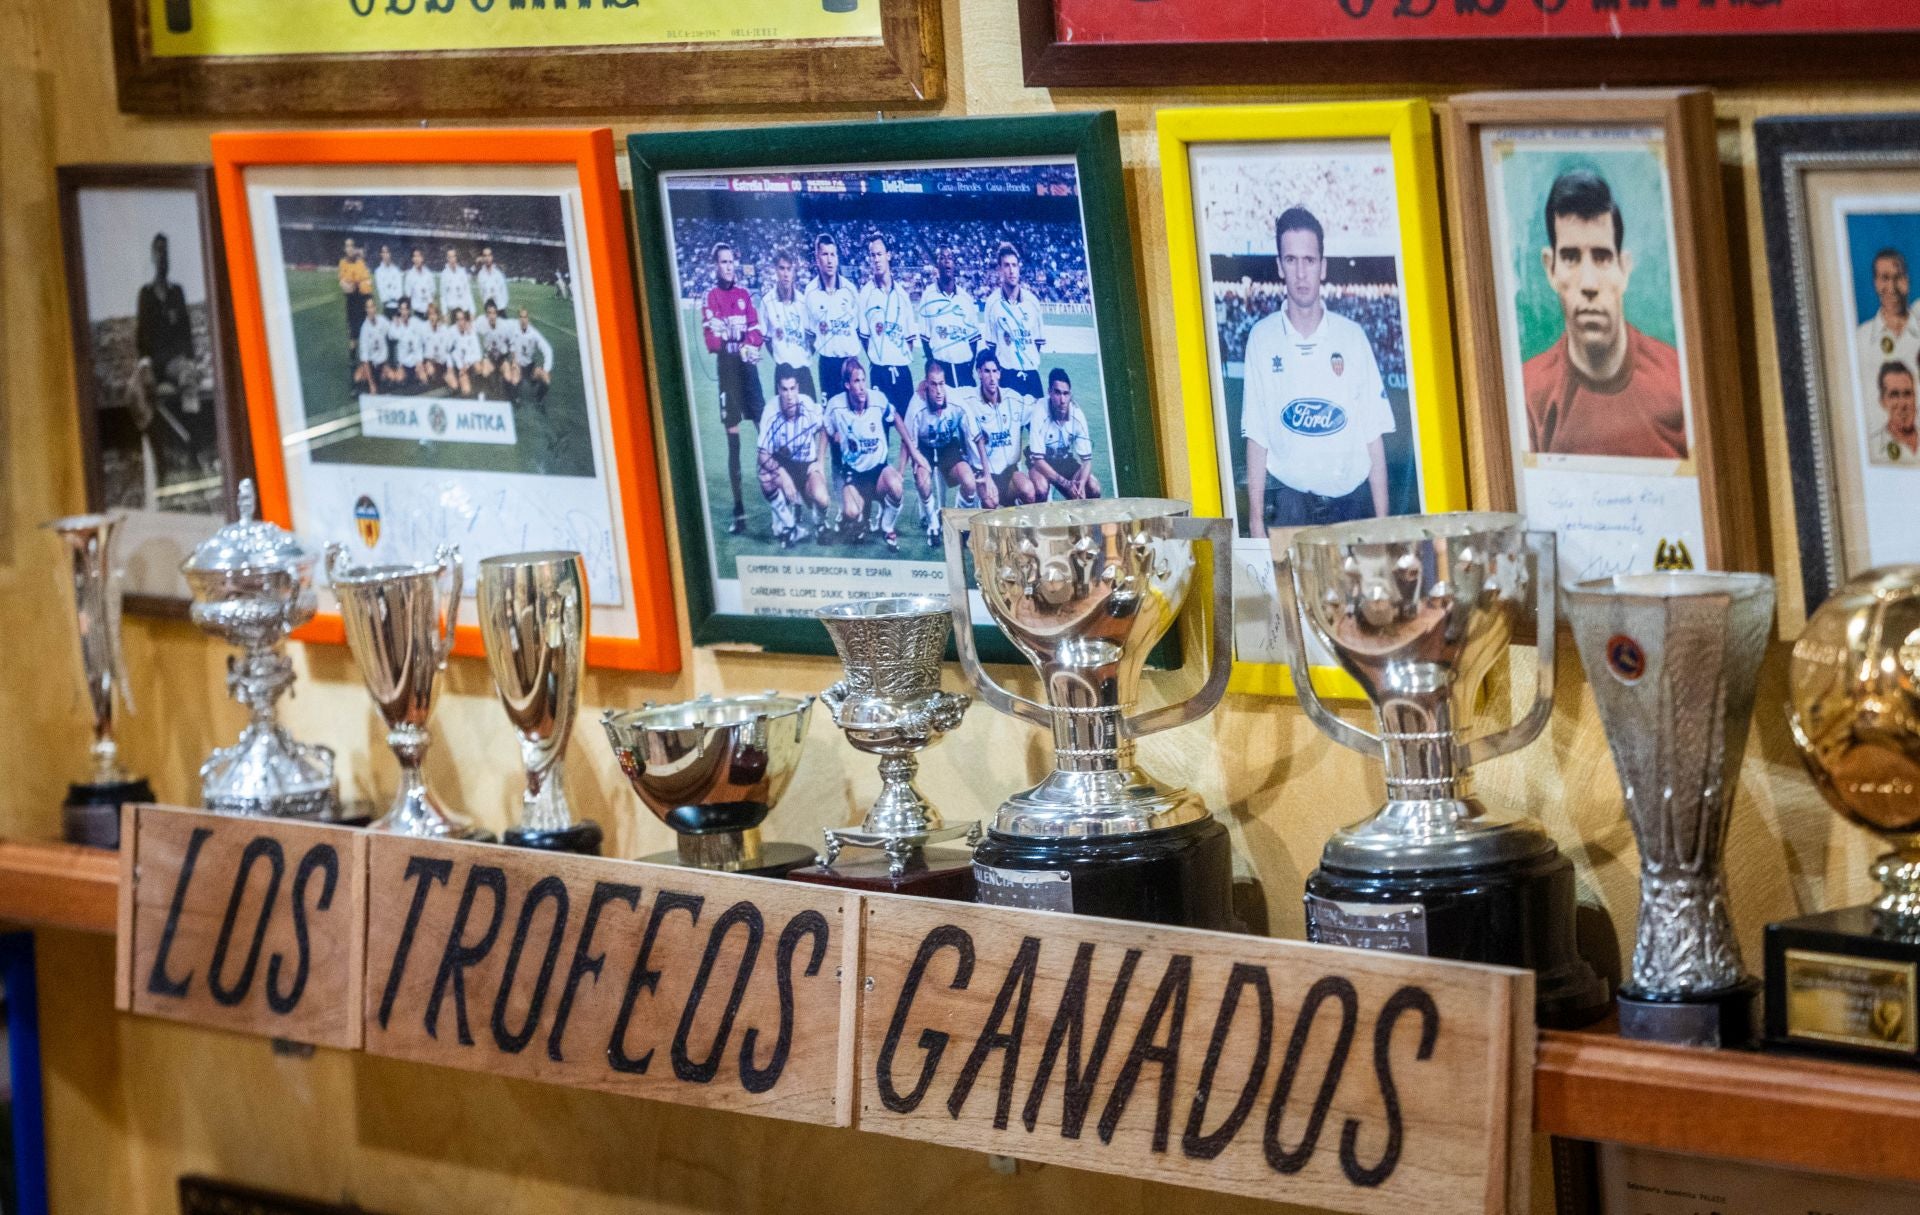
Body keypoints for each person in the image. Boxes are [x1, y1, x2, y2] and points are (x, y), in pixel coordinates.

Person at [1241, 207, 1393, 534]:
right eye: (1291, 260)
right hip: (1290, 510)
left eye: (1309, 260)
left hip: (1351, 507)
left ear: (1322, 267)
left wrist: (1383, 528)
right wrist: (1256, 523)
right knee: (1288, 587)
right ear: (1280, 266)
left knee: (1361, 587)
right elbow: (1256, 437)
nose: (1300, 273)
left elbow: (1373, 438)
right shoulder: (1261, 338)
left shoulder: (1352, 337)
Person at [1521, 169, 1687, 460]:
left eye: (1602, 257)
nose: (1588, 284)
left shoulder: (1678, 380)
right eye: (1571, 257)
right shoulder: (1530, 394)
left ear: (1624, 268)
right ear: (1551, 268)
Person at [703, 242, 766, 535]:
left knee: (765, 433)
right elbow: (712, 342)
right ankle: (739, 510)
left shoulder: (744, 295)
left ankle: (784, 505)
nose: (728, 266)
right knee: (734, 444)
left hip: (748, 374)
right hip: (728, 375)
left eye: (731, 261)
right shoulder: (711, 297)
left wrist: (739, 340)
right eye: (723, 262)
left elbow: (757, 333)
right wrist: (738, 340)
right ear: (715, 266)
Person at [128, 232, 203, 469]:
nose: (163, 258)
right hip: (152, 362)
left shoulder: (176, 292)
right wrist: (145, 364)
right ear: (153, 257)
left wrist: (187, 360)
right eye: (159, 252)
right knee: (135, 391)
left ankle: (193, 447)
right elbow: (141, 335)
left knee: (189, 377)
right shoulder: (145, 294)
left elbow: (186, 332)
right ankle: (157, 454)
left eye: (166, 252)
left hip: (173, 361)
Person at [823, 359, 905, 550]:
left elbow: (896, 418)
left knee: (896, 485)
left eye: (863, 380)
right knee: (851, 514)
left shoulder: (878, 399)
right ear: (847, 385)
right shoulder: (836, 406)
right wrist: (819, 462)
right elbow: (825, 429)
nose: (861, 387)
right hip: (855, 475)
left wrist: (913, 453)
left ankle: (886, 527)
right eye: (856, 381)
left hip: (878, 472)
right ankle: (859, 517)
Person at [901, 362, 982, 547]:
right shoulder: (916, 406)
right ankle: (933, 524)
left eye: (941, 384)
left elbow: (972, 435)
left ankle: (958, 520)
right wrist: (901, 470)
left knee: (969, 482)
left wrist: (978, 465)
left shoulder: (956, 401)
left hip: (947, 445)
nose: (938, 390)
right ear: (925, 385)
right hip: (925, 447)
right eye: (933, 384)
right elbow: (908, 442)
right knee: (922, 480)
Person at [756, 368, 831, 548]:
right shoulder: (770, 411)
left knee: (822, 498)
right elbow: (761, 454)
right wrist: (781, 472)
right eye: (784, 389)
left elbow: (825, 428)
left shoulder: (808, 405)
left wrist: (820, 462)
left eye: (792, 388)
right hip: (783, 465)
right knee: (764, 475)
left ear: (798, 388)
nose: (789, 395)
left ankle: (820, 525)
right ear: (778, 389)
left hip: (806, 466)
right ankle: (790, 526)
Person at [956, 348, 1036, 508]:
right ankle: (966, 503)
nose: (992, 377)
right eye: (987, 372)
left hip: (1009, 472)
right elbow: (944, 392)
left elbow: (1038, 406)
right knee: (991, 502)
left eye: (995, 371)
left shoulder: (1012, 398)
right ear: (979, 372)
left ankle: (1015, 514)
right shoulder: (967, 398)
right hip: (982, 472)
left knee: (1028, 490)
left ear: (999, 373)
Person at [858, 230, 919, 415]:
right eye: (872, 255)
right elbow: (864, 337)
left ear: (888, 256)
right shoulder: (865, 294)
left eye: (879, 254)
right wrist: (880, 358)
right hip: (879, 372)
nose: (876, 259)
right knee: (880, 425)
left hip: (902, 371)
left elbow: (909, 339)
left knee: (908, 428)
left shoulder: (902, 295)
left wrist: (896, 356)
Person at [804, 232, 861, 403]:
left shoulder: (850, 289)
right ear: (817, 258)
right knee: (829, 414)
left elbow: (857, 329)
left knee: (853, 414)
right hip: (827, 364)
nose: (829, 260)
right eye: (824, 254)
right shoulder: (810, 292)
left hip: (849, 362)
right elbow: (809, 334)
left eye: (832, 254)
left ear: (837, 257)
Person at [1028, 368, 1101, 501]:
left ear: (1070, 395)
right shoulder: (1039, 410)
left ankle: (1081, 519)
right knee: (1041, 488)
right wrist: (1066, 484)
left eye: (1066, 394)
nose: (1062, 400)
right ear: (1049, 392)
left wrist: (1081, 484)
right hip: (1042, 462)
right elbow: (1038, 460)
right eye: (1057, 393)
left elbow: (1087, 461)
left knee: (1093, 487)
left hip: (1064, 459)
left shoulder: (1077, 415)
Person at [984, 242, 1045, 398]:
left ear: (1019, 268)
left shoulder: (1032, 302)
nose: (1011, 270)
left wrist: (1027, 360)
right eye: (1006, 265)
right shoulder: (992, 303)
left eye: (1014, 265)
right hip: (1007, 376)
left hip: (1031, 375)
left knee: (1036, 421)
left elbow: (1037, 341)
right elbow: (991, 346)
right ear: (999, 269)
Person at [1857, 248, 1920, 402]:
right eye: (1885, 278)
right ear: (1876, 283)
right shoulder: (1861, 339)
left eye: (1898, 277)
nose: (1892, 288)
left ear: (1907, 280)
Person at [918, 244, 983, 390]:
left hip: (964, 371)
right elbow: (924, 338)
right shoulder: (928, 296)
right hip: (941, 371)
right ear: (937, 264)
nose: (947, 261)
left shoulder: (965, 299)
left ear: (954, 264)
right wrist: (933, 365)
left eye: (950, 258)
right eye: (942, 258)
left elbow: (973, 339)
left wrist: (968, 366)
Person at [759, 248, 815, 401]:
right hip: (782, 373)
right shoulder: (767, 302)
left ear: (794, 271)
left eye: (789, 269)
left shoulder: (804, 302)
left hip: (803, 370)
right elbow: (767, 340)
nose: (785, 273)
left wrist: (805, 355)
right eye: (782, 268)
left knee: (813, 420)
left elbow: (813, 338)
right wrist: (781, 355)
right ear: (775, 270)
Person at [1868, 361, 1920, 464]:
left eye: (1907, 393)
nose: (1902, 403)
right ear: (1883, 402)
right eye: (1894, 395)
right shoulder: (1873, 447)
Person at [509, 306, 555, 406]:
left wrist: (546, 369)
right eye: (521, 317)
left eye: (525, 317)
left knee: (546, 378)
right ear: (519, 319)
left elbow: (548, 350)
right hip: (518, 365)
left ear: (528, 318)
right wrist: (514, 362)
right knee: (513, 379)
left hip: (530, 367)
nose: (523, 320)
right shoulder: (514, 330)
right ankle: (516, 397)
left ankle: (539, 399)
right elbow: (512, 348)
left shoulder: (534, 334)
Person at [389, 298, 432, 392]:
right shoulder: (396, 323)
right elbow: (391, 335)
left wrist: (421, 361)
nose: (404, 312)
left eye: (406, 309)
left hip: (416, 363)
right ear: (399, 310)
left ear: (409, 310)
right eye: (401, 309)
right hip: (404, 363)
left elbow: (428, 330)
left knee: (424, 381)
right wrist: (396, 325)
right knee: (399, 379)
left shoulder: (416, 322)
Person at [338, 239, 372, 356]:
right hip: (351, 302)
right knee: (353, 334)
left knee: (365, 330)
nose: (350, 248)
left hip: (363, 300)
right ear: (345, 249)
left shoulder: (360, 263)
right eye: (347, 246)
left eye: (352, 246)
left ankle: (366, 359)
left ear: (355, 248)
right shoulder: (343, 263)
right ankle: (353, 358)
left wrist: (353, 282)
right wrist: (356, 283)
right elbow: (346, 286)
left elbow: (367, 282)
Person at [443, 310, 488, 398]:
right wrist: (452, 368)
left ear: (466, 320)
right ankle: (453, 384)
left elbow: (478, 354)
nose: (460, 322)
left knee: (479, 367)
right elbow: (449, 353)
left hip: (466, 365)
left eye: (462, 319)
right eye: (458, 320)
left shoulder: (471, 331)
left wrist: (467, 364)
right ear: (455, 321)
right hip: (456, 366)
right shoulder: (451, 332)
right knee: (458, 387)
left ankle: (479, 390)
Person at [354, 296, 391, 397]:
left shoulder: (383, 321)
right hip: (371, 364)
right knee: (357, 377)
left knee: (394, 377)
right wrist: (371, 384)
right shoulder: (364, 330)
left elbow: (393, 332)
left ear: (375, 307)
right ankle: (371, 383)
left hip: (382, 363)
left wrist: (397, 323)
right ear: (366, 310)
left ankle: (383, 380)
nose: (371, 310)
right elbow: (365, 359)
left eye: (372, 306)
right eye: (368, 307)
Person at [475, 300, 512, 396]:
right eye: (489, 313)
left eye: (494, 313)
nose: (492, 316)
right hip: (490, 356)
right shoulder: (481, 323)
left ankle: (510, 393)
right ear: (486, 315)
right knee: (484, 372)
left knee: (508, 378)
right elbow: (471, 331)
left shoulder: (504, 325)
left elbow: (513, 341)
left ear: (497, 314)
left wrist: (510, 358)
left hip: (502, 357)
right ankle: (490, 385)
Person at [438, 248, 475, 326]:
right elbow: (443, 296)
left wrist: (472, 311)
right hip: (453, 313)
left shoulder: (462, 272)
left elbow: (468, 293)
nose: (452, 259)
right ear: (447, 258)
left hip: (465, 310)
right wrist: (444, 314)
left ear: (456, 257)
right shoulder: (444, 275)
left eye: (454, 256)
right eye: (450, 257)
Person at [373, 245, 404, 320]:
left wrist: (394, 298)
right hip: (387, 308)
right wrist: (390, 298)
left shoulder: (396, 271)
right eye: (383, 252)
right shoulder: (378, 272)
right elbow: (382, 292)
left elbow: (399, 291)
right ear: (381, 254)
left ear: (390, 254)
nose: (385, 254)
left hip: (397, 307)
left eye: (387, 252)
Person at [475, 247, 510, 314]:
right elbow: (482, 293)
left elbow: (504, 291)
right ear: (483, 258)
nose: (487, 258)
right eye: (485, 256)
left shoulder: (499, 273)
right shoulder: (480, 275)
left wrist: (503, 306)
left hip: (500, 309)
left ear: (492, 257)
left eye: (489, 255)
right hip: (489, 312)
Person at [403, 247, 437, 317]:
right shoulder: (409, 276)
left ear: (422, 258)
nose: (417, 259)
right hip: (417, 313)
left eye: (419, 256)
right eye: (415, 256)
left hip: (429, 314)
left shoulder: (429, 274)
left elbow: (433, 293)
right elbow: (408, 296)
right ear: (412, 259)